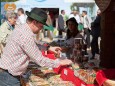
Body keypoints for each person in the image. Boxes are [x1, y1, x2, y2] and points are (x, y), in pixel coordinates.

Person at [0, 8, 72, 86]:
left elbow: (33, 45)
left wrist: (48, 48)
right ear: (34, 22)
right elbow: (40, 60)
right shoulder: (25, 35)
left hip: (7, 73)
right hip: (9, 77)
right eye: (41, 26)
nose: (41, 29)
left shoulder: (22, 28)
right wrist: (60, 62)